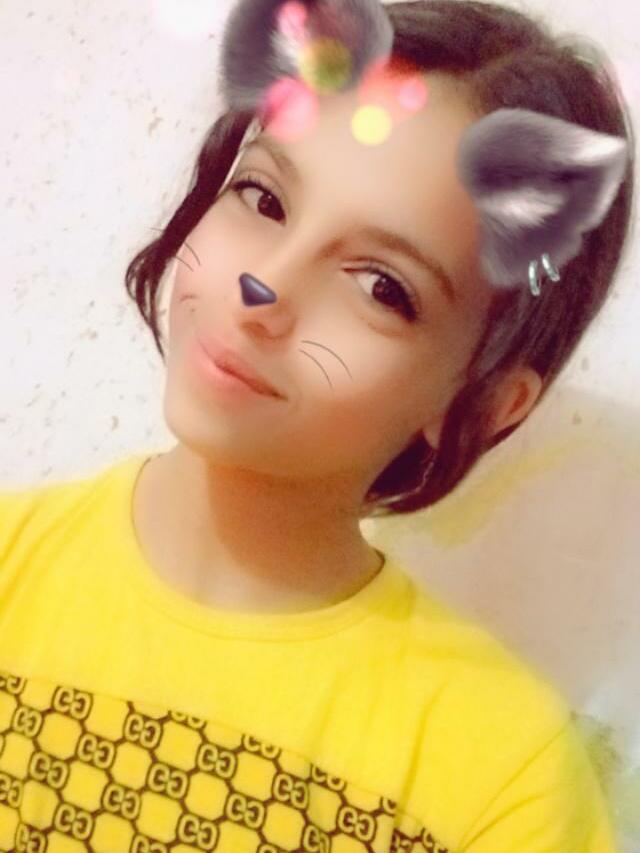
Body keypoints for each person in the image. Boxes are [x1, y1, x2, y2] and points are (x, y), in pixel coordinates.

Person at [0, 0, 634, 849]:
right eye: (262, 198)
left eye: (382, 286)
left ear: (481, 405)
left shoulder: (504, 778)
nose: (263, 288)